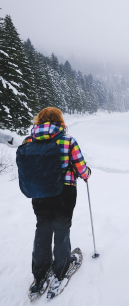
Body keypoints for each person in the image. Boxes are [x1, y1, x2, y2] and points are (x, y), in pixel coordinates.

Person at [21, 107, 91, 294]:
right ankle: (61, 269)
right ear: (60, 121)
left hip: (39, 192)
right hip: (64, 192)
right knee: (61, 227)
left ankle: (40, 273)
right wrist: (86, 173)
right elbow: (82, 169)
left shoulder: (29, 140)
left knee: (42, 227)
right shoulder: (68, 141)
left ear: (39, 120)